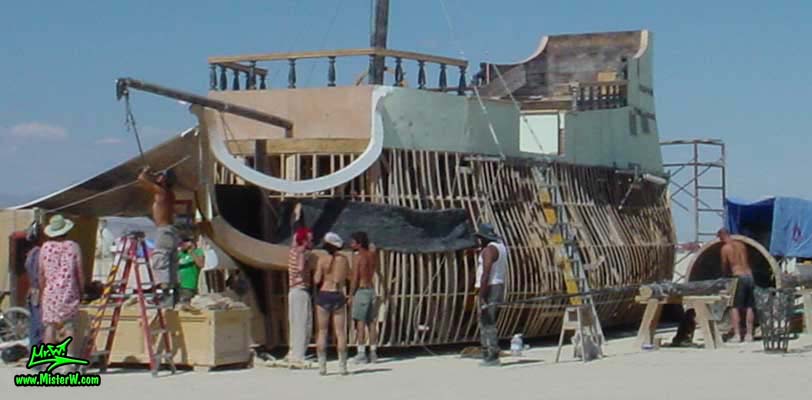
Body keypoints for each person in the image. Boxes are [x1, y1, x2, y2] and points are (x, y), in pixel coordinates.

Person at [39, 214, 84, 367]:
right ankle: (69, 362)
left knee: (50, 326)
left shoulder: (45, 248)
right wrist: (82, 289)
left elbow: (41, 273)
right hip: (68, 291)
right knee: (69, 326)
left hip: (50, 292)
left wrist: (42, 290)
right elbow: (79, 271)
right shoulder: (73, 246)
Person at [138, 166, 179, 307]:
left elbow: (141, 180)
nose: (158, 176)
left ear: (165, 179)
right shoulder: (169, 193)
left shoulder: (161, 192)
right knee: (171, 263)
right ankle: (173, 296)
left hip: (164, 230)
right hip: (171, 231)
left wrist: (146, 172)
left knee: (160, 262)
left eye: (161, 175)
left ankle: (165, 296)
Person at [314, 232, 350, 376]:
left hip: (324, 294)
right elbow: (347, 276)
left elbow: (317, 280)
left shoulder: (321, 260)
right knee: (340, 332)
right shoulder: (344, 260)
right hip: (337, 294)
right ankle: (342, 366)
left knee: (322, 331)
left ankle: (322, 367)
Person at [349, 231, 386, 364]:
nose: (351, 244)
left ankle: (361, 353)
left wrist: (351, 294)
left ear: (359, 243)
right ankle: (373, 353)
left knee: (360, 323)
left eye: (353, 242)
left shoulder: (358, 257)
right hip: (371, 291)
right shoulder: (372, 255)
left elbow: (355, 278)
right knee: (371, 323)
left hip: (362, 291)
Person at [475, 223, 507, 367]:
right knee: (488, 320)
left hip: (491, 287)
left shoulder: (488, 251)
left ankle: (492, 355)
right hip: (499, 285)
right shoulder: (501, 247)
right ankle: (488, 353)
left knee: (487, 322)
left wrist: (482, 294)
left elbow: (486, 273)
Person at [718, 228, 755, 343]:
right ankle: (749, 334)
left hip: (738, 277)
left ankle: (737, 335)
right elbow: (746, 260)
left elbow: (725, 265)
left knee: (734, 306)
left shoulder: (725, 248)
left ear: (721, 236)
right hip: (749, 276)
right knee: (749, 306)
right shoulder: (741, 245)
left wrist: (724, 277)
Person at [287, 225, 314, 368]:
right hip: (300, 290)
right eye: (310, 240)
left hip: (293, 290)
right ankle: (299, 355)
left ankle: (293, 353)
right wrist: (306, 255)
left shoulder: (292, 251)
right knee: (303, 324)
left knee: (295, 323)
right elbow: (301, 268)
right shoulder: (301, 252)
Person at [24, 222, 43, 347]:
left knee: (34, 325)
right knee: (39, 325)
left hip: (32, 291)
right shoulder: (39, 254)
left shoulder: (30, 254)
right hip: (38, 292)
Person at [177, 237, 205, 303]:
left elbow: (201, 264)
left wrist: (191, 252)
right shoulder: (180, 254)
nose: (181, 246)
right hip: (179, 284)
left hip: (189, 285)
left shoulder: (198, 252)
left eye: (183, 244)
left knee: (186, 303)